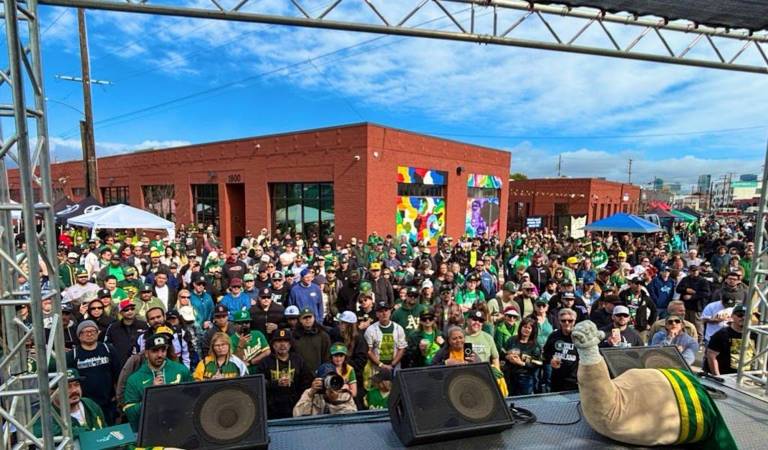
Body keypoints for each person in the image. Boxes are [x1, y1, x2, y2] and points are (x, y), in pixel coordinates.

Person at [123, 333, 193, 431]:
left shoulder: (181, 370)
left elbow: (193, 397)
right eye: (155, 351)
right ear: (146, 353)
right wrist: (150, 395)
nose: (160, 355)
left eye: (163, 350)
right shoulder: (134, 379)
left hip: (181, 427)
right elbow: (130, 412)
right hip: (151, 431)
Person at [66, 320, 122, 424]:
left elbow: (118, 374)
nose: (90, 334)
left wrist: (118, 397)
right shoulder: (72, 355)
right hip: (85, 403)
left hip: (108, 402)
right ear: (79, 335)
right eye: (85, 331)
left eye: (93, 331)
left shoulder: (108, 349)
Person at [255, 328, 313, 419]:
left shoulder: (298, 360)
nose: (282, 344)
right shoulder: (265, 362)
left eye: (286, 341)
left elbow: (307, 380)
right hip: (272, 409)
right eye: (278, 341)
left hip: (295, 406)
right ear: (273, 345)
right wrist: (276, 383)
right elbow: (259, 383)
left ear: (290, 344)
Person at [33, 368, 105, 438]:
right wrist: (83, 433)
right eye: (67, 386)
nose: (74, 390)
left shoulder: (90, 404)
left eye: (76, 384)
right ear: (52, 391)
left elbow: (105, 433)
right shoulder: (43, 413)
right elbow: (45, 433)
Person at [706, 304, 756, 376]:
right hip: (726, 376)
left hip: (747, 377)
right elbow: (711, 355)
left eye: (747, 315)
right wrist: (718, 376)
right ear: (732, 316)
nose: (744, 318)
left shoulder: (755, 335)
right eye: (740, 315)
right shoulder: (721, 334)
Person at [293, 362, 357, 416]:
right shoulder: (310, 393)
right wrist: (310, 395)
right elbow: (297, 414)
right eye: (325, 378)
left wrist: (335, 400)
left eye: (332, 378)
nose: (328, 381)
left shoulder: (343, 393)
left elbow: (352, 415)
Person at [364, 301, 408, 378]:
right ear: (377, 314)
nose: (384, 313)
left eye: (386, 310)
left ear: (390, 312)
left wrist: (393, 364)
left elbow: (402, 349)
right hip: (376, 367)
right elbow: (369, 351)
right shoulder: (370, 330)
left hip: (395, 366)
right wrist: (381, 365)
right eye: (381, 311)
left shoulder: (398, 328)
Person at [542, 308, 579, 392]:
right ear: (559, 321)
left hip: (574, 380)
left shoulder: (579, 337)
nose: (567, 323)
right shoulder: (554, 335)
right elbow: (545, 354)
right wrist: (550, 360)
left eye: (570, 321)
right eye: (563, 320)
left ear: (574, 321)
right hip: (557, 378)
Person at [103, 299, 149, 367]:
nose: (130, 311)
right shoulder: (113, 327)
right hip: (120, 365)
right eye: (126, 310)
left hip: (141, 364)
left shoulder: (144, 325)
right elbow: (107, 346)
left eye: (132, 309)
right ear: (121, 312)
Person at [504, 316, 542, 395]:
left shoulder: (535, 345)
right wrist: (508, 357)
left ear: (533, 330)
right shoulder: (511, 340)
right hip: (510, 376)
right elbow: (502, 354)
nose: (526, 329)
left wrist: (521, 363)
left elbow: (538, 363)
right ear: (520, 327)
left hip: (526, 378)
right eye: (524, 327)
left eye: (529, 328)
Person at [230, 309, 271, 374]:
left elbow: (267, 352)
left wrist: (251, 362)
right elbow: (234, 363)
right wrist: (240, 346)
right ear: (234, 324)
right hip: (243, 374)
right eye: (241, 323)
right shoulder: (230, 340)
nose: (244, 325)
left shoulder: (258, 334)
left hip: (261, 371)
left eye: (246, 322)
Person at [293, 307, 331, 374]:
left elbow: (327, 357)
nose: (308, 319)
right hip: (299, 374)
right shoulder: (294, 336)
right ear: (300, 320)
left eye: (310, 317)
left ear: (314, 318)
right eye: (305, 318)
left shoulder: (323, 336)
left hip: (318, 373)